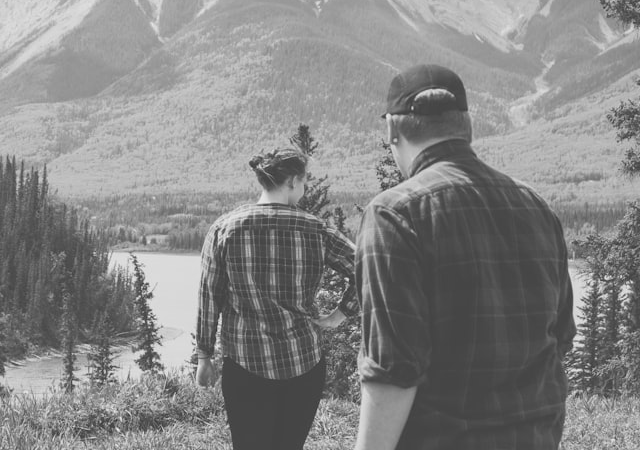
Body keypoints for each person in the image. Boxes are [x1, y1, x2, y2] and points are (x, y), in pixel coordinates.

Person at [354, 64, 576, 450]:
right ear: (467, 126)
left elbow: (394, 370)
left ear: (392, 130)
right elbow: (560, 338)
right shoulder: (536, 207)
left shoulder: (394, 213)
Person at [195, 147, 357, 450]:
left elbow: (209, 297)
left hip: (244, 364)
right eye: (304, 182)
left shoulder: (224, 229)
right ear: (293, 181)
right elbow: (368, 268)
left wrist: (204, 356)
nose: (305, 188)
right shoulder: (316, 230)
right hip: (303, 361)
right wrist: (340, 315)